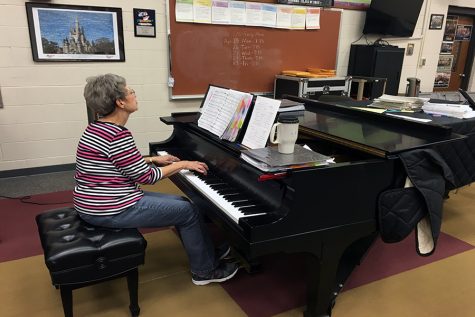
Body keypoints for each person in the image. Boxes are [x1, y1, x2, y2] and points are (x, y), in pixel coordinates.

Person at [74, 73, 239, 285]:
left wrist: (152, 159)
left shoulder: (98, 128)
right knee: (187, 211)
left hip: (93, 203)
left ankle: (206, 252)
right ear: (120, 102)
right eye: (131, 91)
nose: (135, 94)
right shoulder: (117, 135)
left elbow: (121, 163)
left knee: (182, 204)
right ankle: (204, 271)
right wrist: (183, 164)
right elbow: (147, 177)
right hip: (110, 209)